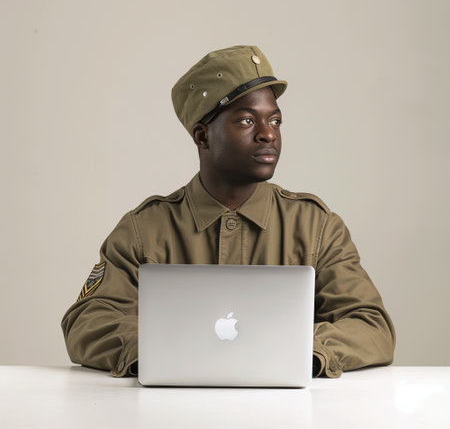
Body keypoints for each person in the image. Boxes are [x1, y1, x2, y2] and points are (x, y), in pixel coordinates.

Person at [61, 45, 395, 378]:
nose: (268, 134)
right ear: (203, 136)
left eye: (275, 120)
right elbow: (88, 321)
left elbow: (371, 326)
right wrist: (162, 349)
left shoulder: (316, 226)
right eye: (248, 120)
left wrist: (298, 350)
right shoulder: (143, 229)